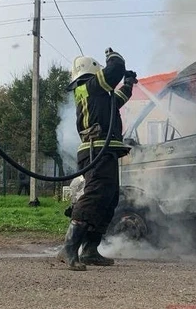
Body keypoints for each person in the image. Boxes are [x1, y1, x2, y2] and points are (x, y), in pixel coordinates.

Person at [58, 47, 137, 271]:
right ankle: (69, 248)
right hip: (95, 151)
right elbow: (116, 68)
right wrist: (114, 56)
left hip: (104, 151)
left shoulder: (100, 95)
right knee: (94, 196)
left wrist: (128, 82)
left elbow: (119, 98)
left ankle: (90, 250)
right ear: (93, 72)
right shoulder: (90, 86)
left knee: (109, 199)